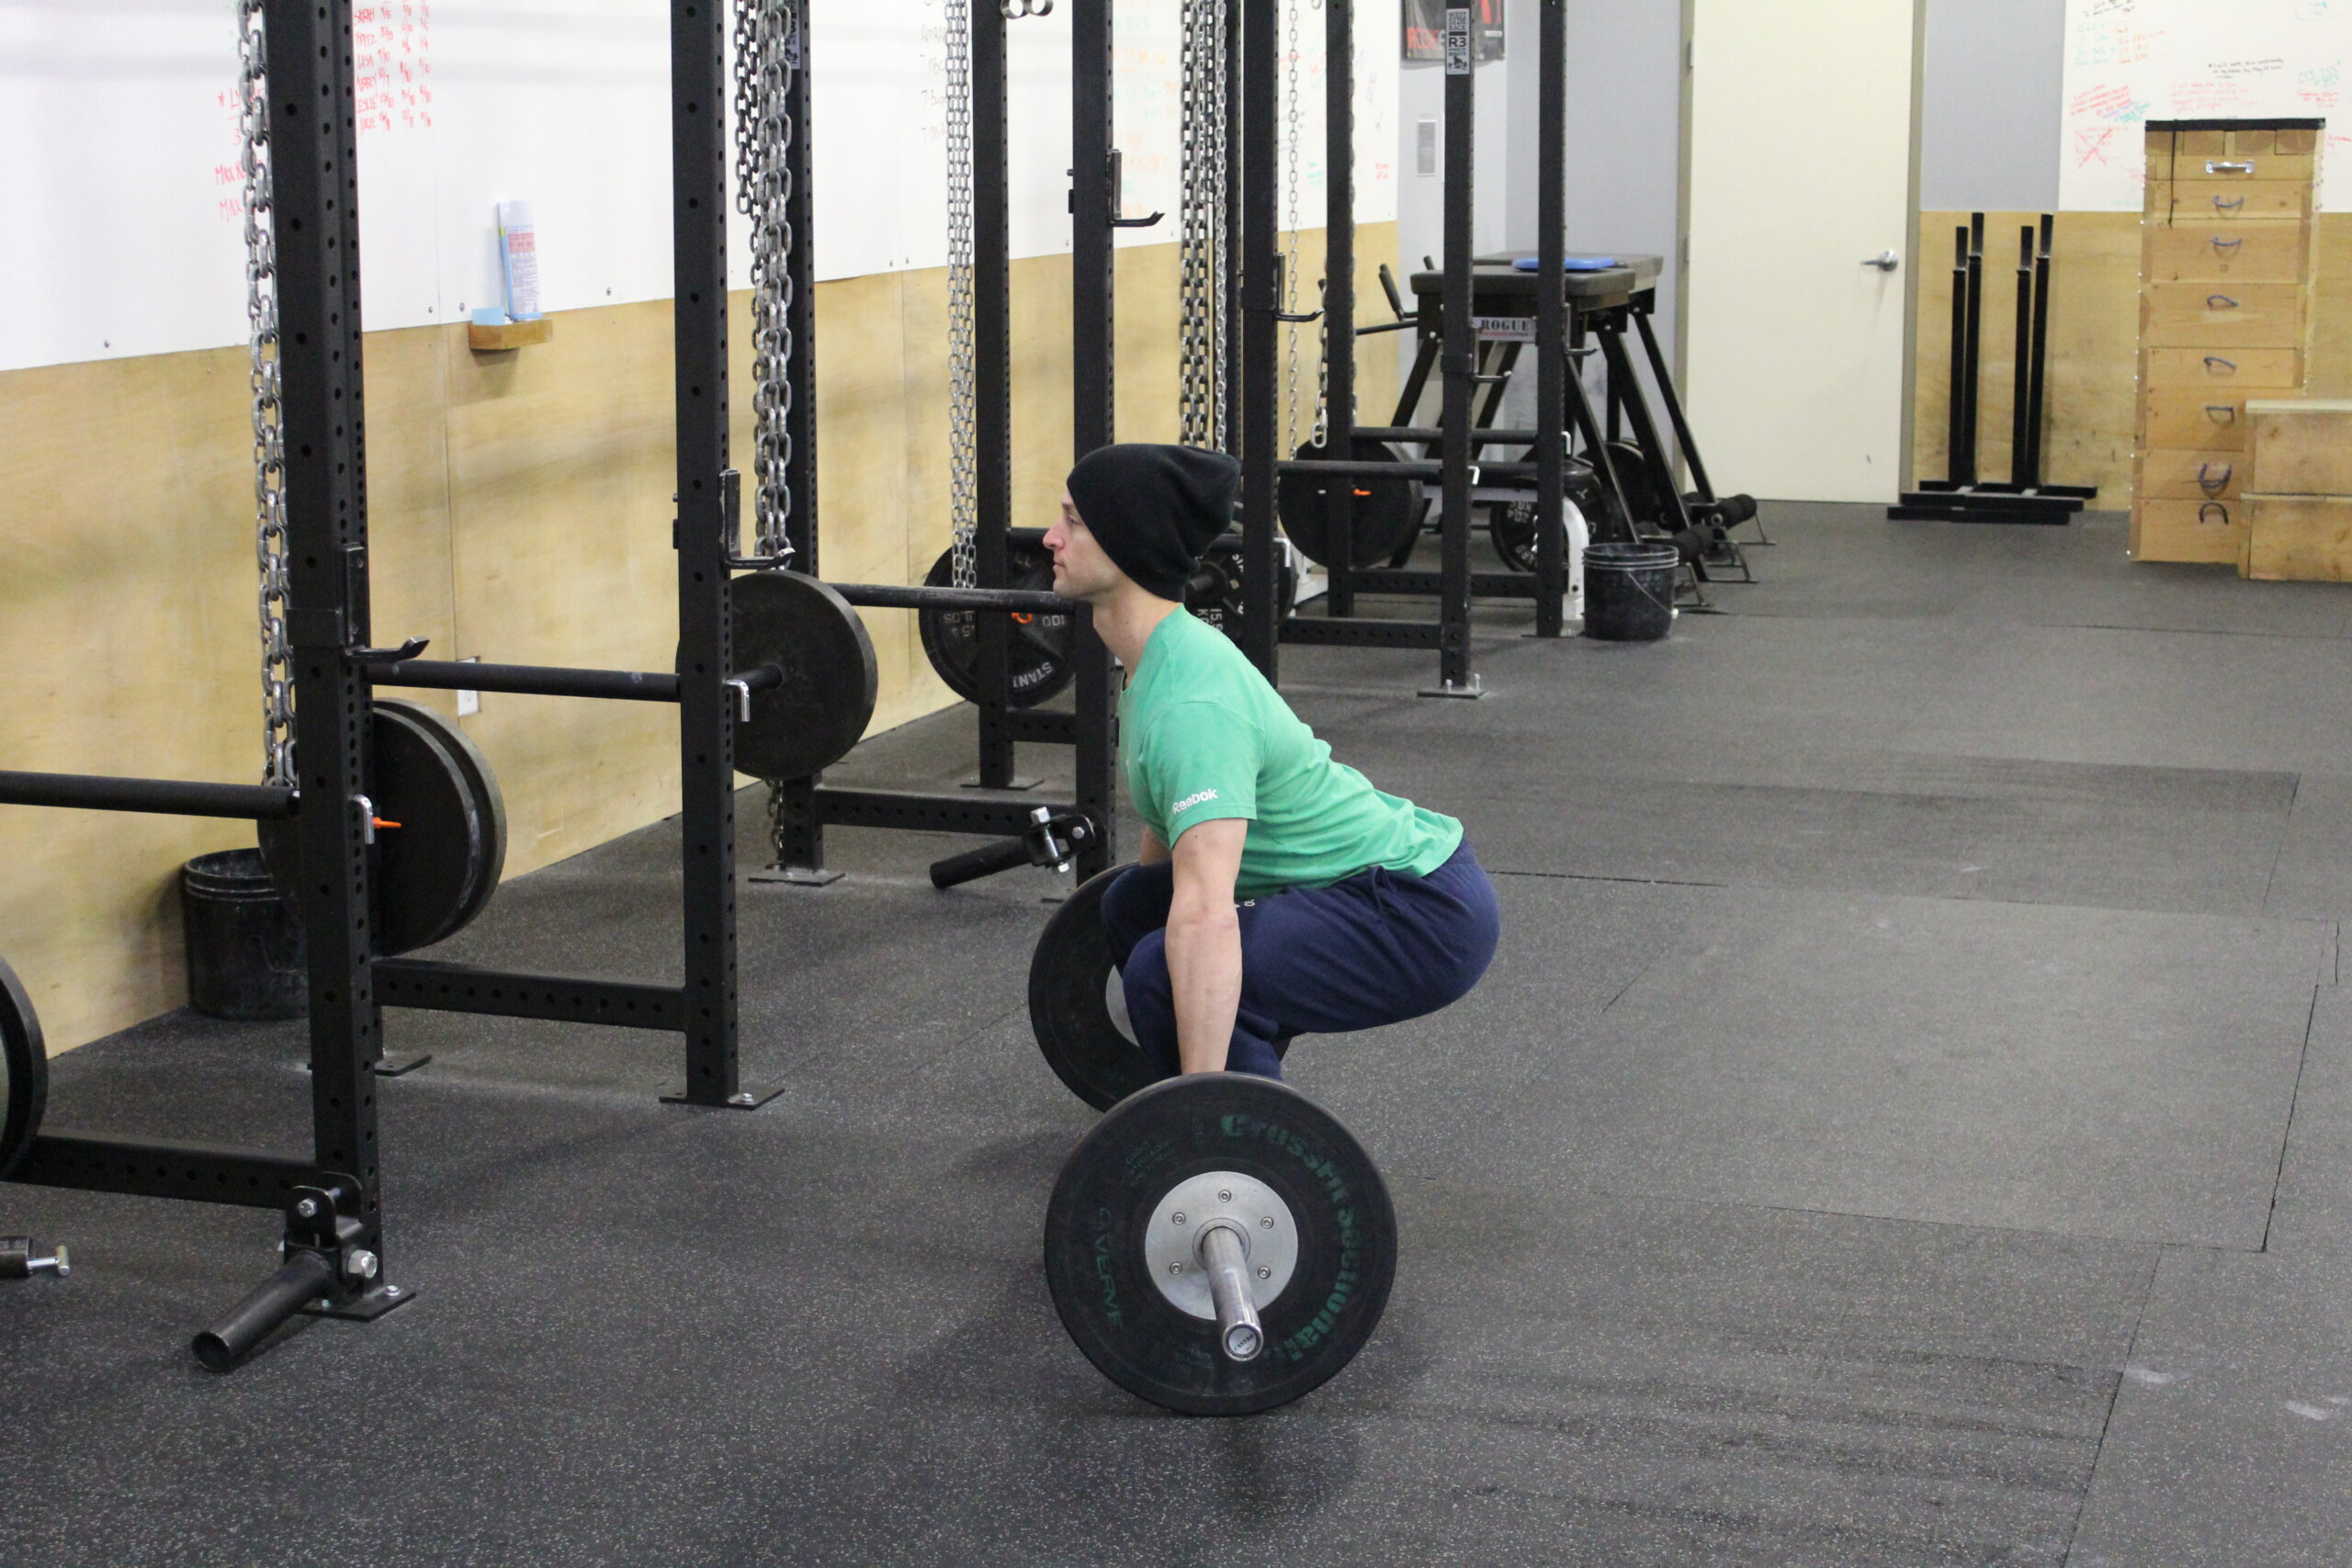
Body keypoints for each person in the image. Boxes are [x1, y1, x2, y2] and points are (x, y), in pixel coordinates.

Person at [1041, 443, 1501, 1080]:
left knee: (1162, 970)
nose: (1050, 537)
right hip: (1356, 887)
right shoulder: (1159, 658)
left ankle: (1234, 1132)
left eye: (1073, 521)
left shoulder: (1192, 702)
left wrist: (1198, 1092)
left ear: (1129, 542)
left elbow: (1205, 916)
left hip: (1414, 911)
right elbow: (1171, 835)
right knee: (1133, 906)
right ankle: (1200, 1084)